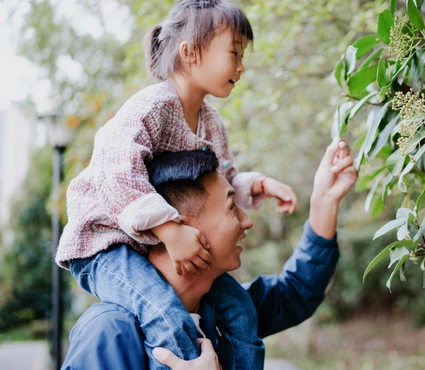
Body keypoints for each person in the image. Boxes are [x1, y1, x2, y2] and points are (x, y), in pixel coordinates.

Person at [55, 0, 297, 368]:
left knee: (240, 307)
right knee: (164, 313)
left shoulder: (211, 123)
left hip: (145, 242)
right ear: (189, 52)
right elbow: (116, 168)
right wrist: (170, 230)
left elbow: (221, 183)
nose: (241, 66)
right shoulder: (153, 106)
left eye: (243, 54)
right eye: (234, 52)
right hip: (106, 245)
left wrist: (256, 184)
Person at [61, 138, 357, 369]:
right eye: (232, 207)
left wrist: (324, 201)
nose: (247, 221)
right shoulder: (110, 331)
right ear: (181, 226)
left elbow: (295, 293)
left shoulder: (224, 311)